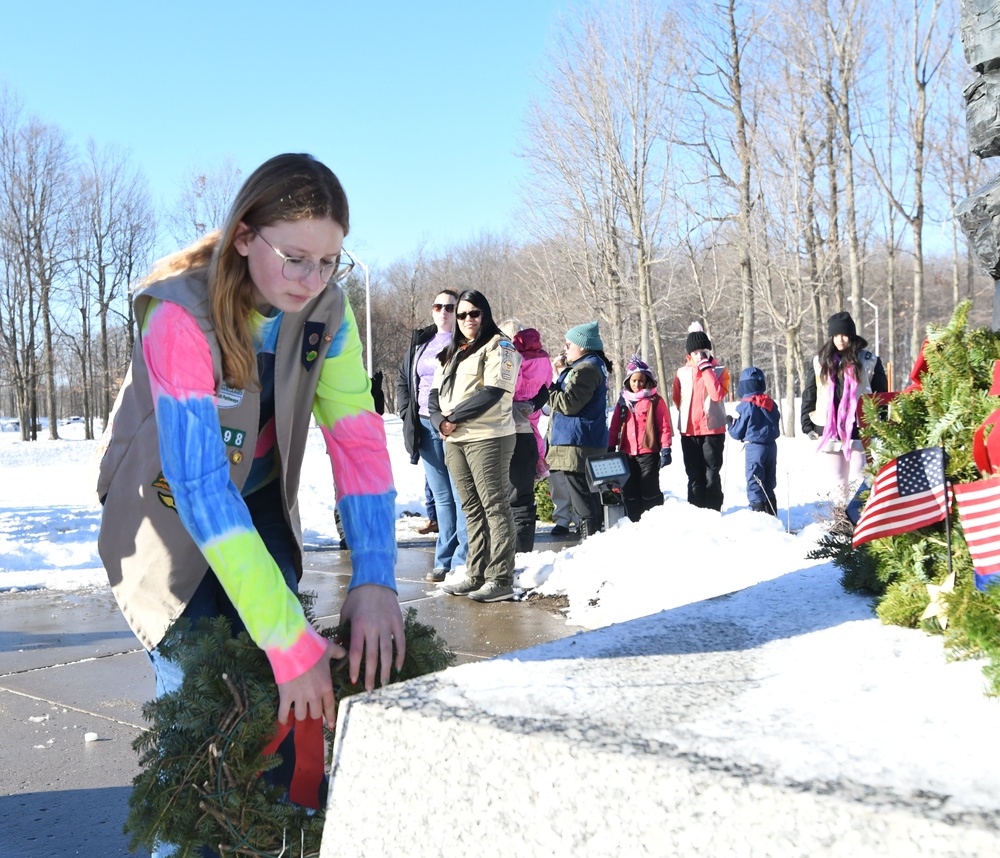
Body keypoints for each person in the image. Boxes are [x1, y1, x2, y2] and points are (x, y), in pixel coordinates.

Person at [95, 154, 403, 855]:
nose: (312, 280)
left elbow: (358, 446)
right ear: (243, 236)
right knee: (202, 738)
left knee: (271, 718)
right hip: (166, 525)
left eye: (329, 262)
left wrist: (378, 576)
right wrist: (288, 636)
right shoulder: (178, 315)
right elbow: (201, 487)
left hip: (256, 507)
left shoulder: (330, 311)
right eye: (295, 258)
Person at [430, 290, 521, 602]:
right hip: (453, 439)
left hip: (488, 436)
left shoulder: (500, 346)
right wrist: (438, 421)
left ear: (485, 313)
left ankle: (501, 578)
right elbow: (432, 394)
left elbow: (495, 390)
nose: (468, 320)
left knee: (494, 506)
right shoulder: (452, 350)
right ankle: (475, 573)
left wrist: (453, 417)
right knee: (470, 508)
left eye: (474, 313)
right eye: (462, 315)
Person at [397, 290, 469, 582]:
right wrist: (406, 412)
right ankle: (443, 560)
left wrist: (454, 418)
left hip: (454, 426)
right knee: (441, 496)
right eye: (438, 306)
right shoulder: (421, 342)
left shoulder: (467, 342)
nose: (443, 312)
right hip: (425, 426)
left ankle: (463, 560)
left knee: (459, 493)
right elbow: (404, 378)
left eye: (450, 307)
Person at [801, 311, 888, 498]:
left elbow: (881, 394)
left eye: (845, 334)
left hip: (859, 426)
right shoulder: (819, 362)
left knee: (858, 476)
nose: (840, 339)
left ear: (852, 335)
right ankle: (841, 521)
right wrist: (806, 423)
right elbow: (810, 392)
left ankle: (858, 518)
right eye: (836, 335)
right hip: (829, 427)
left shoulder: (868, 361)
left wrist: (880, 421)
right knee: (837, 479)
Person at [547, 321, 612, 539]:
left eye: (568, 344)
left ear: (582, 346)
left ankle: (589, 541)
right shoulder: (590, 365)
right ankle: (592, 540)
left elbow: (568, 404)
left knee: (582, 499)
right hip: (582, 441)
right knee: (588, 495)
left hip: (577, 443)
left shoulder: (586, 368)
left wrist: (548, 388)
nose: (565, 349)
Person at [672, 322, 730, 511]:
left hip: (713, 430)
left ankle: (713, 509)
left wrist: (706, 370)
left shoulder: (720, 371)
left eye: (703, 351)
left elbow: (717, 395)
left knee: (711, 473)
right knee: (694, 474)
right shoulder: (682, 373)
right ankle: (695, 510)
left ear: (708, 351)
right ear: (689, 354)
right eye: (695, 353)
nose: (699, 356)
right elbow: (677, 398)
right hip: (689, 432)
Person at [607, 355, 673, 523]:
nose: (637, 385)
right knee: (630, 489)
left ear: (647, 381)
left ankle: (652, 520)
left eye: (641, 381)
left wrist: (666, 447)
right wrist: (610, 445)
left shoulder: (654, 401)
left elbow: (664, 425)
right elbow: (615, 426)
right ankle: (633, 520)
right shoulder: (623, 402)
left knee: (649, 487)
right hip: (627, 453)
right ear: (628, 381)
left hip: (648, 451)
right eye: (634, 381)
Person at [509, 327, 551, 551]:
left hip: (514, 410)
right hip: (531, 409)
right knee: (535, 433)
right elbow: (547, 383)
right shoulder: (544, 359)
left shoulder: (516, 358)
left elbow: (511, 384)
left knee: (515, 497)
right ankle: (540, 462)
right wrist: (534, 403)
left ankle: (515, 552)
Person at [727, 366, 781, 515]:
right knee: (769, 483)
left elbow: (737, 433)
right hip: (771, 447)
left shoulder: (744, 406)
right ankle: (772, 514)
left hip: (754, 448)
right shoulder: (771, 403)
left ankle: (759, 517)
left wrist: (729, 423)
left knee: (755, 483)